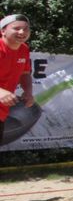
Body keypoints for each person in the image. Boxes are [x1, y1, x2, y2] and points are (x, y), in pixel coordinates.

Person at [0, 15, 36, 143]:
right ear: (3, 31)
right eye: (16, 28)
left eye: (26, 29)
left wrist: (28, 92)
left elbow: (25, 73)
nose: (22, 32)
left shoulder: (23, 49)